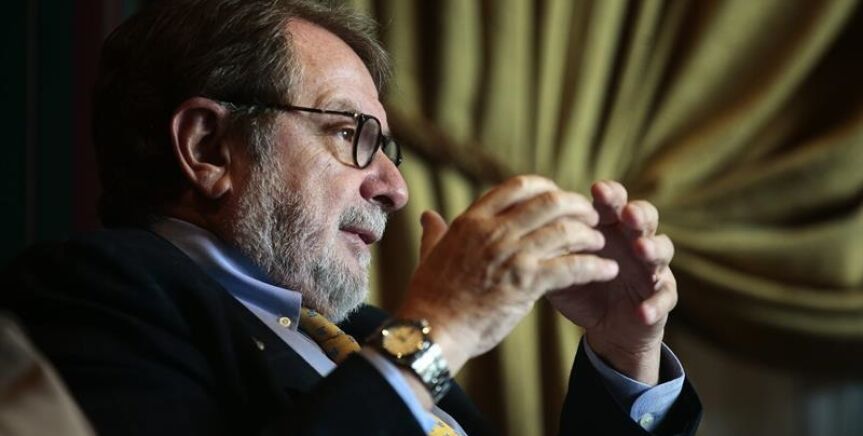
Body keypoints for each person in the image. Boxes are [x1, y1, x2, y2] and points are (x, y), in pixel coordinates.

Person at [1, 0, 702, 434]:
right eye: (348, 134)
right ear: (209, 148)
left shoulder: (367, 336)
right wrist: (437, 333)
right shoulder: (92, 295)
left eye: (386, 147)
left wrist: (624, 355)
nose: (395, 187)